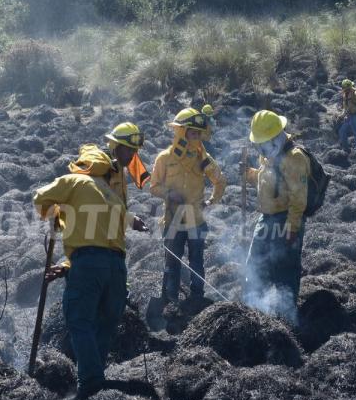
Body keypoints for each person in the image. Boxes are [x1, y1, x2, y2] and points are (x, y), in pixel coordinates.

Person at [33, 144, 128, 400]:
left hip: (88, 265)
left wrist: (58, 212)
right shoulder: (114, 196)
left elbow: (40, 198)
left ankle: (90, 384)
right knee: (105, 323)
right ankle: (96, 378)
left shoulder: (75, 181)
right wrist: (66, 266)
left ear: (83, 165)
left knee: (79, 321)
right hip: (118, 269)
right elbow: (105, 243)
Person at [150, 108, 227, 303]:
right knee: (171, 263)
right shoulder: (165, 158)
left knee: (197, 262)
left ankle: (197, 299)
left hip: (196, 220)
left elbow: (220, 181)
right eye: (193, 133)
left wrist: (210, 201)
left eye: (199, 133)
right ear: (181, 132)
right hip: (172, 220)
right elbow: (153, 187)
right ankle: (170, 300)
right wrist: (169, 194)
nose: (197, 137)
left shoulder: (202, 158)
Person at [241, 110, 310, 321]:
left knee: (285, 268)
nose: (260, 147)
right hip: (267, 218)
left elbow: (299, 199)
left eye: (263, 142)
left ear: (275, 136)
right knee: (256, 264)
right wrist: (249, 173)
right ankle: (255, 311)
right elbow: (269, 182)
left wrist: (292, 227)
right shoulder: (269, 153)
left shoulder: (295, 158)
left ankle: (288, 317)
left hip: (287, 219)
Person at [105, 122, 150, 232]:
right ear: (115, 146)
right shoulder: (104, 168)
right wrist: (130, 219)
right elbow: (103, 206)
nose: (132, 155)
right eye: (129, 149)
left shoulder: (119, 167)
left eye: (135, 150)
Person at [338, 79, 356, 152]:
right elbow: (345, 108)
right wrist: (342, 116)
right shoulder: (345, 95)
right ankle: (346, 149)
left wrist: (354, 109)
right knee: (342, 131)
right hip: (349, 116)